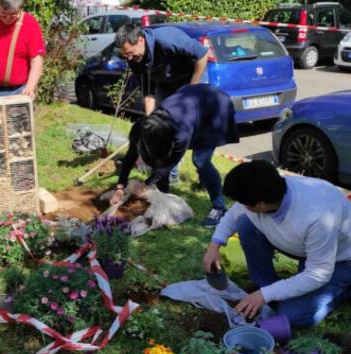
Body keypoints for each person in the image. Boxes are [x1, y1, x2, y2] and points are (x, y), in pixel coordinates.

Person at [203, 161, 351, 328]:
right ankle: (265, 285)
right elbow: (236, 212)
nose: (241, 206)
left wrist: (265, 295)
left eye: (245, 203)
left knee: (290, 316)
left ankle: (343, 289)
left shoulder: (318, 217)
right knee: (245, 224)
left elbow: (318, 274)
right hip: (304, 247)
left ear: (260, 205)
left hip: (340, 259)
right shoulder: (269, 189)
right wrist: (215, 245)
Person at [110, 84, 239, 227]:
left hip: (214, 108)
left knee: (201, 160)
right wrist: (120, 188)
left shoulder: (180, 134)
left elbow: (169, 163)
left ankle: (219, 207)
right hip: (192, 103)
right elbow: (130, 157)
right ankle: (164, 200)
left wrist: (145, 184)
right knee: (160, 161)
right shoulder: (143, 129)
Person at [115, 24, 209, 184]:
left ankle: (204, 174)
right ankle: (169, 177)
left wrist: (191, 90)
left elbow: (202, 55)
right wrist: (150, 121)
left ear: (140, 40)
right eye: (125, 56)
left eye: (130, 53)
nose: (129, 58)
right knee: (163, 130)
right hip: (166, 85)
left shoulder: (167, 40)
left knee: (193, 131)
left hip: (193, 78)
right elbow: (148, 90)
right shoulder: (134, 59)